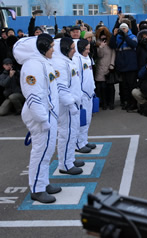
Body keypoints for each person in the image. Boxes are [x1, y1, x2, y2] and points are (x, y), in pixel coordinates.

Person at [13, 34, 61, 203]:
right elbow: (33, 96)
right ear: (42, 48)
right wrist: (42, 119)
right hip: (40, 116)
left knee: (47, 152)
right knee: (40, 152)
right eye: (51, 46)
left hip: (47, 114)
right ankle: (37, 188)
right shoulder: (33, 66)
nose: (53, 50)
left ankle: (43, 182)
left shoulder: (43, 62)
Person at [51, 37, 84, 175]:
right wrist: (71, 104)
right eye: (72, 48)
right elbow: (61, 87)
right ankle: (65, 164)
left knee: (73, 132)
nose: (74, 50)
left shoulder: (67, 61)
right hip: (66, 105)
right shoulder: (59, 64)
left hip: (73, 102)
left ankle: (69, 159)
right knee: (66, 133)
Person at [73, 39, 97, 152]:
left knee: (88, 119)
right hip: (82, 95)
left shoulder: (88, 58)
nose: (88, 51)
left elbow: (90, 75)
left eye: (89, 49)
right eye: (86, 49)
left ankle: (84, 140)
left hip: (89, 93)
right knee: (81, 120)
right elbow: (77, 79)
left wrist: (93, 89)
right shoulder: (77, 59)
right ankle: (78, 144)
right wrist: (79, 94)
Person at [109, 23, 138, 111]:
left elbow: (134, 44)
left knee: (131, 85)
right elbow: (112, 45)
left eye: (124, 29)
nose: (123, 30)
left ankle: (133, 103)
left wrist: (125, 36)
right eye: (121, 29)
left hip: (131, 65)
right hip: (122, 65)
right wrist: (114, 35)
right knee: (124, 86)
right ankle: (126, 102)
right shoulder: (117, 38)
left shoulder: (132, 36)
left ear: (128, 29)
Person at [94, 26, 116, 110]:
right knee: (102, 87)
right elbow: (99, 55)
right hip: (100, 66)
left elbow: (113, 53)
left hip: (109, 66)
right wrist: (100, 47)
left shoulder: (110, 42)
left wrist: (112, 64)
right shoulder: (98, 43)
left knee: (110, 87)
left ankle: (111, 103)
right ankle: (104, 103)